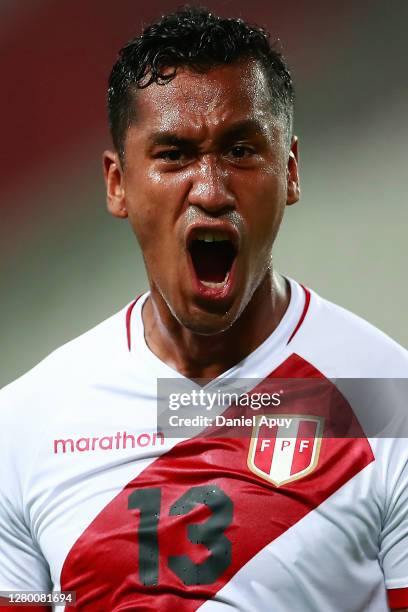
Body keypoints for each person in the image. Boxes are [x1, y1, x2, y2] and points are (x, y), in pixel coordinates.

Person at [0, 6, 407, 611]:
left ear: (290, 171)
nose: (212, 190)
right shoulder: (25, 425)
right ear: (118, 184)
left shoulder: (387, 400)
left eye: (242, 151)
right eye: (173, 156)